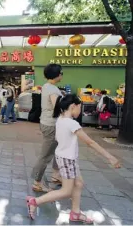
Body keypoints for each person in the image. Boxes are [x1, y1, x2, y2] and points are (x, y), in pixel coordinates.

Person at [26, 94, 121, 223]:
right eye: (79, 107)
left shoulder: (60, 119)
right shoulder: (72, 124)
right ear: (72, 106)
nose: (80, 111)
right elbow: (90, 142)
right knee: (66, 191)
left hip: (65, 157)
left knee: (78, 184)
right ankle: (35, 201)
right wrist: (110, 157)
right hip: (67, 159)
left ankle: (75, 213)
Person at [31, 64, 63, 192]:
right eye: (61, 72)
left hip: (46, 122)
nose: (62, 75)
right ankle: (37, 182)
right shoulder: (53, 90)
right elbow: (57, 107)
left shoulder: (46, 86)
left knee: (57, 150)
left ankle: (56, 175)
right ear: (57, 74)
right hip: (51, 125)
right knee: (45, 155)